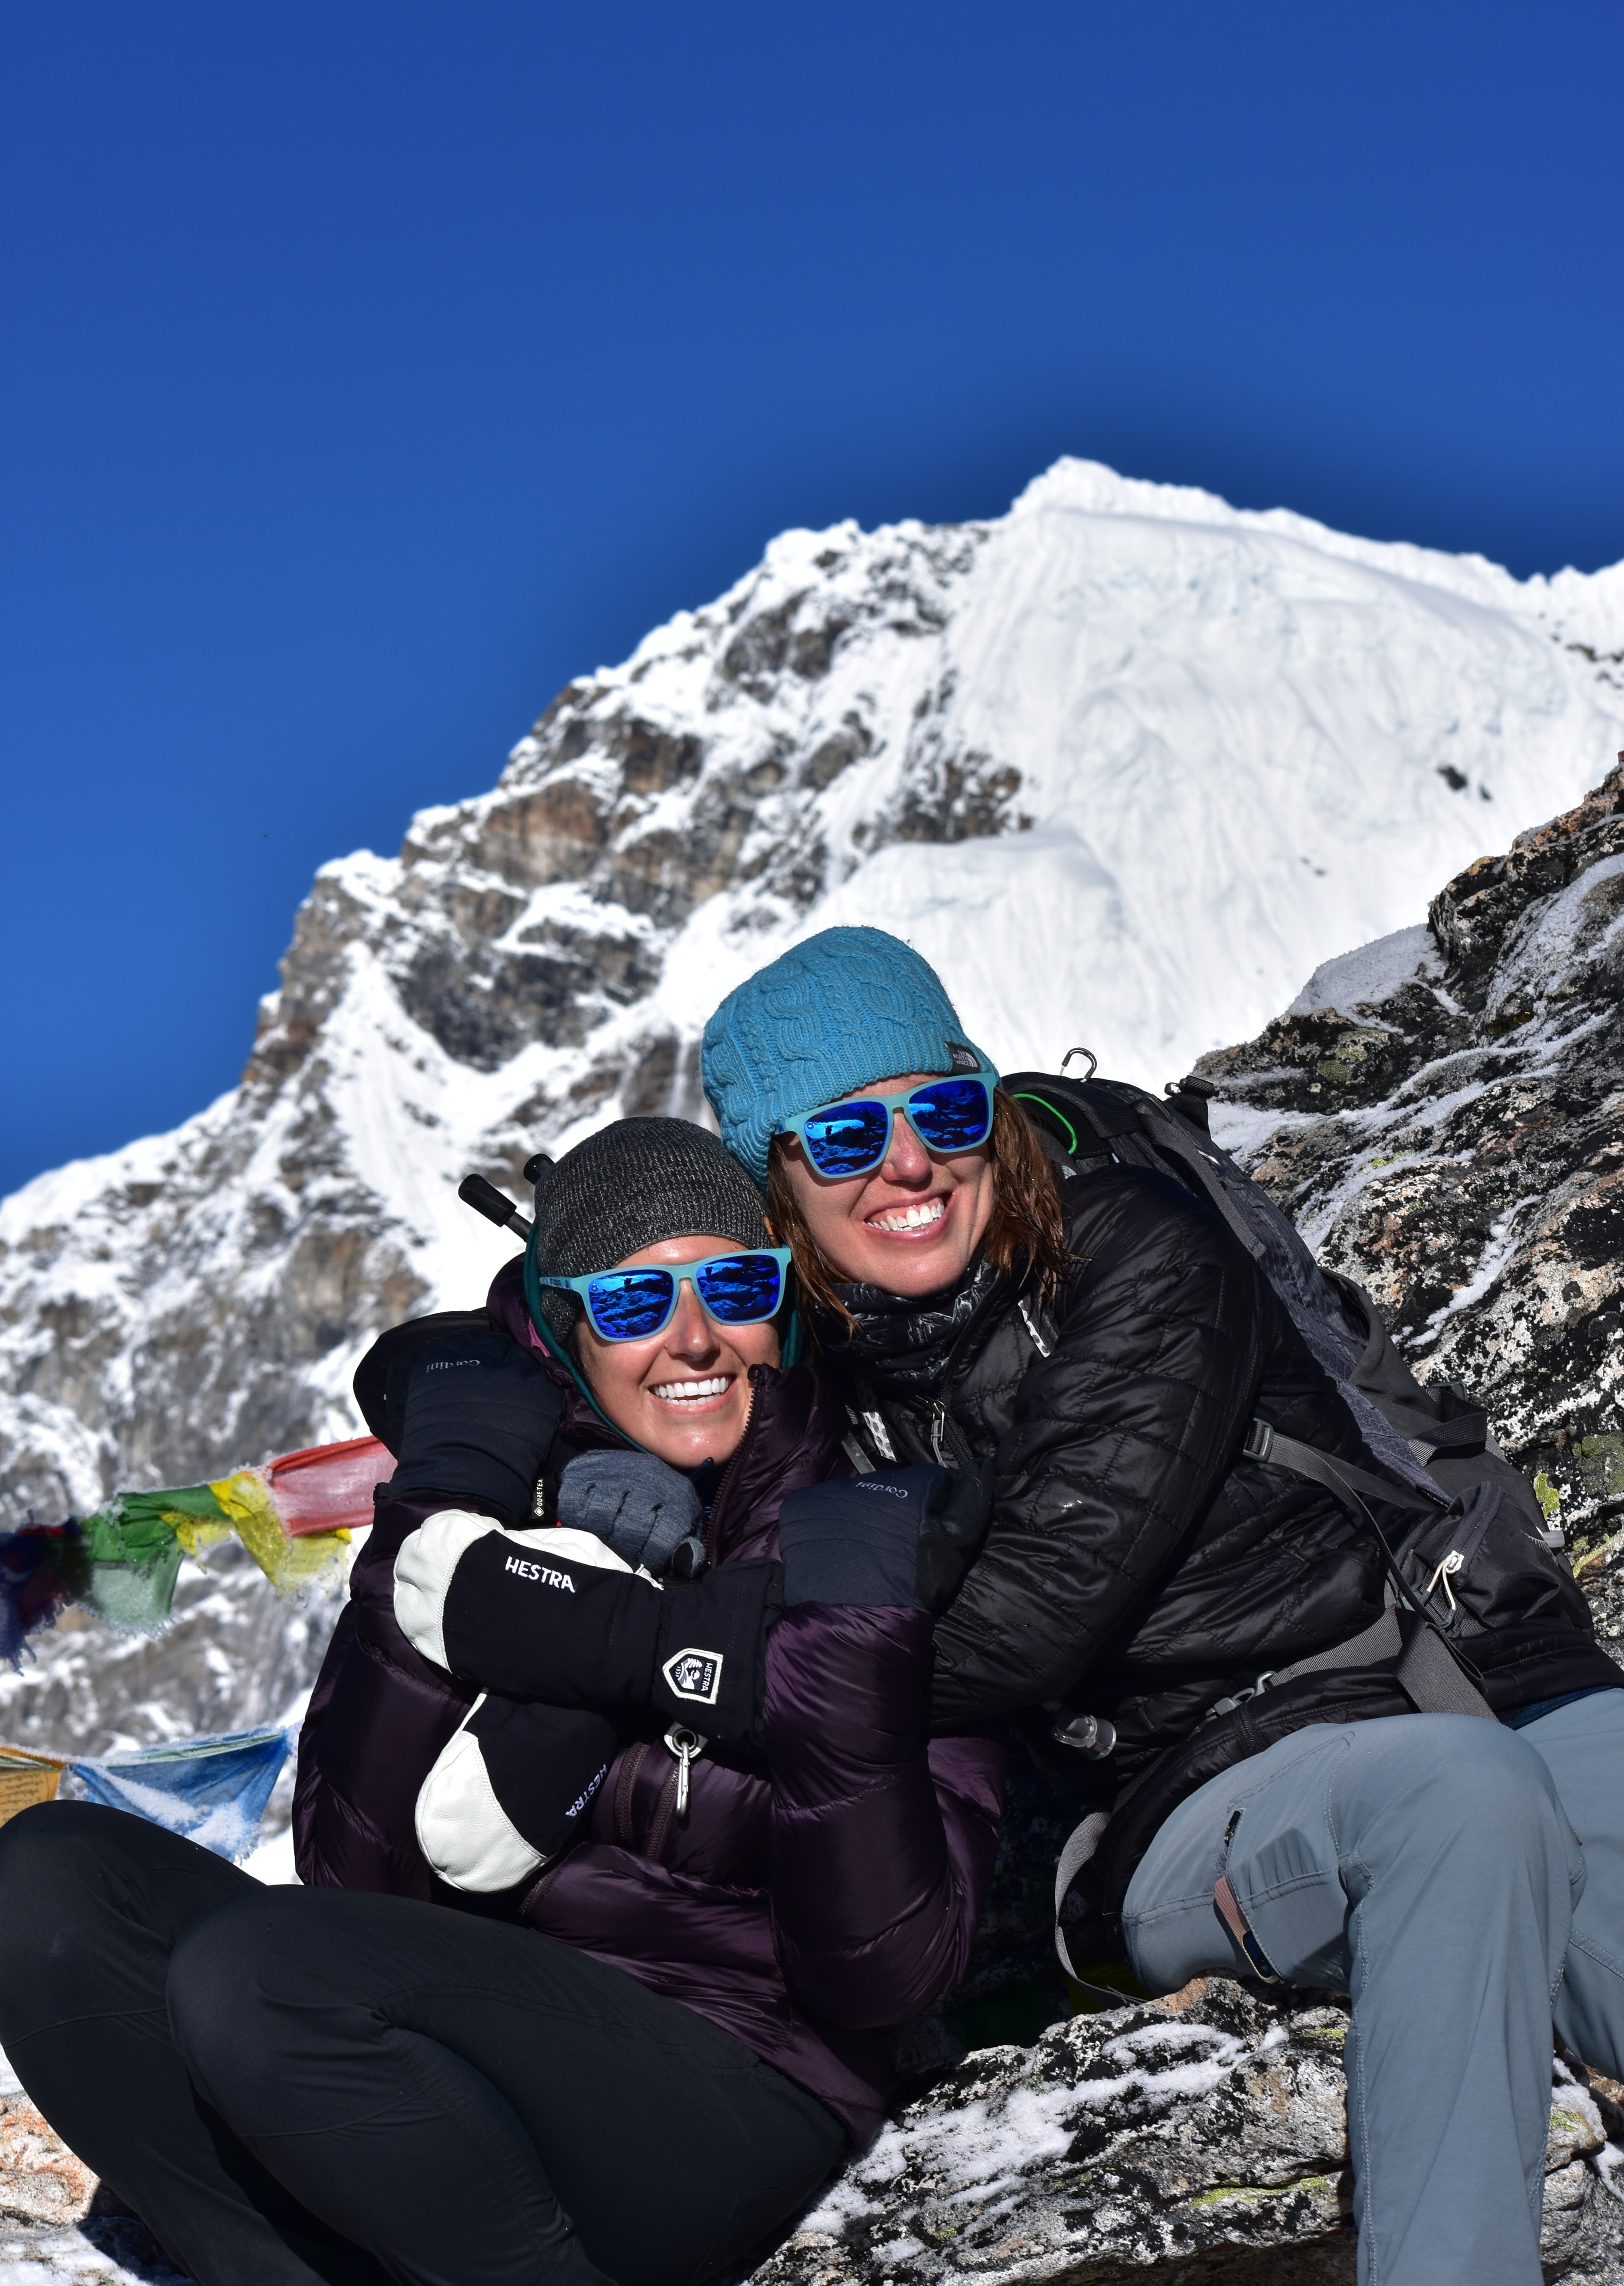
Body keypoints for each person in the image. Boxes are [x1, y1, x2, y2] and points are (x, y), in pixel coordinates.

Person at [696, 924, 1624, 2286]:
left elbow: (1032, 1612)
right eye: (841, 1139)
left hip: (1476, 1666)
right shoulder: (786, 1381)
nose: (907, 1165)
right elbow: (596, 1318)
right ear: (770, 1184)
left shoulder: (1134, 1249)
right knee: (1462, 1802)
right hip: (1205, 1789)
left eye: (944, 1110)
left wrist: (760, 1657)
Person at [0, 1117, 1004, 2286]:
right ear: (571, 1333)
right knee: (50, 1880)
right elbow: (351, 1877)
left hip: (739, 2082)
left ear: (782, 1301)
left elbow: (885, 1975)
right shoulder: (507, 1517)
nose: (693, 1339)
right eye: (633, 1304)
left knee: (263, 1973)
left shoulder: (869, 1522)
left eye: (734, 1286)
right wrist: (445, 1521)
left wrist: (839, 1648)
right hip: (459, 2052)